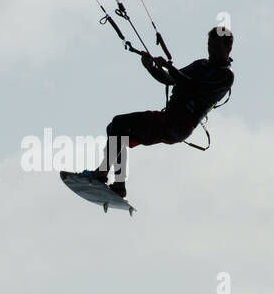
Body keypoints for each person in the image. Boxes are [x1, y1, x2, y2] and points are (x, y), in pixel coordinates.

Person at [85, 26, 234, 197]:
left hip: (178, 125)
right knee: (115, 129)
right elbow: (170, 80)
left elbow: (192, 86)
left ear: (228, 48)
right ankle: (118, 185)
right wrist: (151, 68)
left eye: (216, 47)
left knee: (120, 124)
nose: (211, 51)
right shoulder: (201, 64)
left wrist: (170, 68)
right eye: (209, 45)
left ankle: (104, 174)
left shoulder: (226, 76)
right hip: (167, 119)